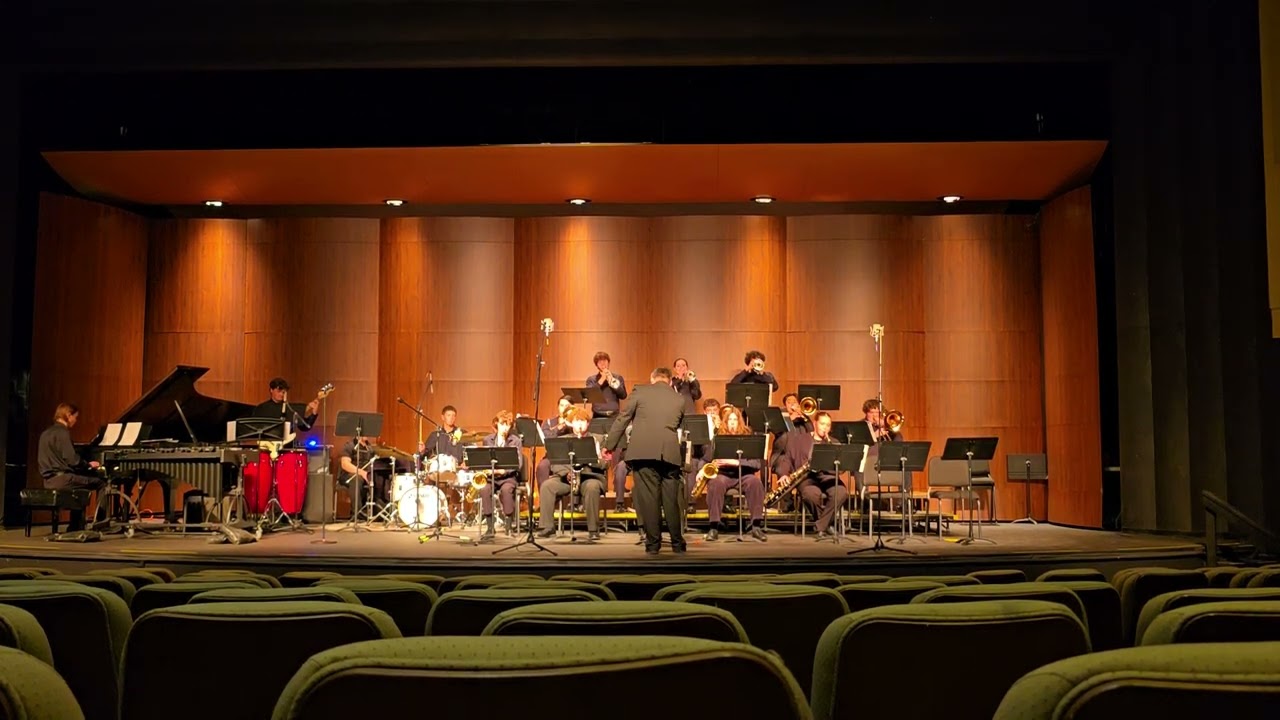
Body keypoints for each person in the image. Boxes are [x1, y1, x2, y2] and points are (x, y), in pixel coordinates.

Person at [605, 367, 686, 554]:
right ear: (670, 381)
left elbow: (624, 418)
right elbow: (680, 427)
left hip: (644, 452)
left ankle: (653, 545)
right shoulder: (679, 399)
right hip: (670, 453)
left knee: (650, 500)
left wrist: (609, 445)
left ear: (652, 379)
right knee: (671, 500)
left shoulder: (640, 391)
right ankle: (677, 543)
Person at [535, 406, 607, 541]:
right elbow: (555, 463)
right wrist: (566, 473)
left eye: (583, 421)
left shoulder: (598, 439)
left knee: (592, 487)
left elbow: (605, 464)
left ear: (588, 423)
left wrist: (592, 459)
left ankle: (593, 529)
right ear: (571, 423)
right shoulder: (563, 439)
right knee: (547, 486)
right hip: (567, 478)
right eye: (576, 421)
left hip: (589, 477)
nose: (579, 424)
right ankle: (547, 527)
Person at [702, 405, 767, 542]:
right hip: (723, 474)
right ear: (725, 422)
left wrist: (737, 462)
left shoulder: (748, 438)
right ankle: (713, 527)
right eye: (729, 420)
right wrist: (702, 470)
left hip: (744, 474)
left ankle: (756, 526)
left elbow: (756, 464)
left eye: (735, 420)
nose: (732, 423)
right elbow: (705, 460)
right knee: (715, 484)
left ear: (739, 422)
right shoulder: (718, 438)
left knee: (755, 483)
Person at [37, 403, 103, 532]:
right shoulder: (63, 433)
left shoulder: (45, 433)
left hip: (48, 481)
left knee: (79, 483)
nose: (75, 421)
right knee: (101, 483)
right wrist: (88, 464)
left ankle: (75, 525)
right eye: (75, 417)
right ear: (68, 415)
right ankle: (101, 523)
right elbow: (73, 460)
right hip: (63, 480)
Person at [783, 411, 848, 538]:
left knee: (841, 492)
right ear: (815, 424)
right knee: (810, 494)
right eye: (822, 424)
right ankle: (826, 524)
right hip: (807, 478)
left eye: (828, 425)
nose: (825, 428)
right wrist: (784, 474)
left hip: (828, 476)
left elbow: (841, 469)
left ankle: (820, 526)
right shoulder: (800, 440)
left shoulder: (834, 442)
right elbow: (787, 459)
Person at [474, 410, 524, 541]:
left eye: (508, 425)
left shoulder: (516, 441)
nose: (505, 428)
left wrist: (503, 471)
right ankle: (490, 527)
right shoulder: (488, 440)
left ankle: (509, 525)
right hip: (491, 478)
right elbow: (484, 459)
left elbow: (518, 463)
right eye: (502, 424)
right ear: (497, 424)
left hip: (508, 477)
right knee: (484, 489)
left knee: (507, 490)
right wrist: (487, 470)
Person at [338, 433, 394, 517]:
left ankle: (380, 510)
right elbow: (345, 464)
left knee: (379, 478)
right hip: (349, 475)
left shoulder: (370, 448)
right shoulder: (350, 446)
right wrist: (361, 472)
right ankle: (356, 513)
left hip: (365, 475)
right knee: (357, 479)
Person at [249, 377, 321, 430]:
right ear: (271, 390)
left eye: (283, 392)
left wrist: (313, 413)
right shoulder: (261, 408)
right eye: (279, 391)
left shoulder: (289, 408)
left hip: (287, 445)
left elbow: (305, 427)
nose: (281, 394)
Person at [586, 351, 627, 417]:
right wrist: (602, 380)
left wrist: (612, 381)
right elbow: (590, 396)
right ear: (597, 365)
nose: (603, 364)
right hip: (598, 415)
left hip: (614, 415)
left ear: (608, 362)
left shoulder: (618, 377)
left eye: (605, 361)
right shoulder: (591, 379)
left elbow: (623, 396)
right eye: (600, 362)